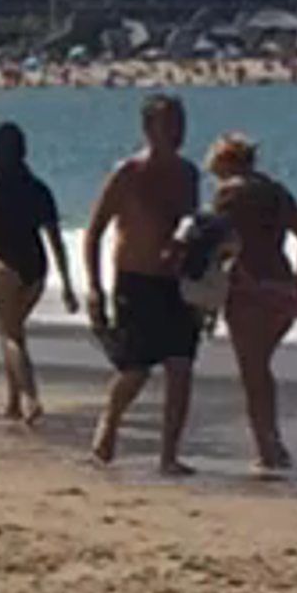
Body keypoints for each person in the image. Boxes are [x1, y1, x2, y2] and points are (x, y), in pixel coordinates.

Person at [87, 94, 213, 474]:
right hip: (134, 281)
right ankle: (109, 423)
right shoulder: (127, 172)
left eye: (181, 122)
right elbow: (94, 232)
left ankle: (169, 456)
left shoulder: (188, 174)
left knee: (181, 367)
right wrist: (95, 287)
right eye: (168, 123)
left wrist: (205, 288)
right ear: (148, 128)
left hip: (175, 284)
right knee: (136, 370)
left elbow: (189, 229)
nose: (177, 131)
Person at [199, 131, 297, 476]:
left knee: (253, 373)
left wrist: (207, 300)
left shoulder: (228, 193)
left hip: (248, 288)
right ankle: (273, 442)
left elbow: (215, 246)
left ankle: (267, 448)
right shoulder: (277, 191)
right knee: (262, 367)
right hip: (281, 287)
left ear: (226, 162)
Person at [0, 119, 76, 426]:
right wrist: (66, 284)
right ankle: (12, 403)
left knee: (11, 335)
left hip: (4, 268)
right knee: (14, 331)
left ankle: (30, 397)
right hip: (36, 269)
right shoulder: (40, 190)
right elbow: (55, 240)